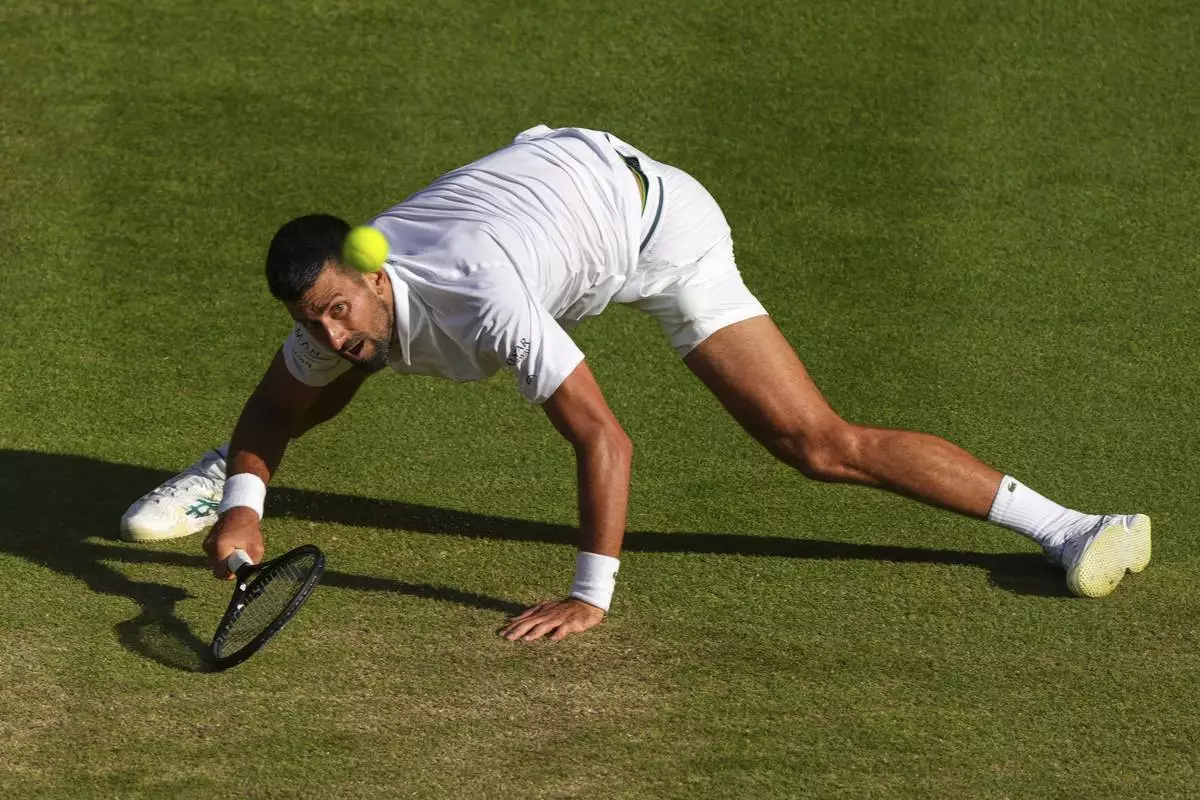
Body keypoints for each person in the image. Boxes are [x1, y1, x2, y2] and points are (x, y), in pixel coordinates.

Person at [120, 124, 1151, 642]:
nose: (332, 329)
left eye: (341, 309)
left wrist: (588, 595)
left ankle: (1070, 526)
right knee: (325, 381)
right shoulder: (351, 293)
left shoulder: (483, 296)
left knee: (812, 441)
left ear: (374, 272)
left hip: (656, 229)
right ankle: (230, 482)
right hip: (558, 180)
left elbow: (604, 438)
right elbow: (275, 400)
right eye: (314, 320)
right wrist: (247, 501)